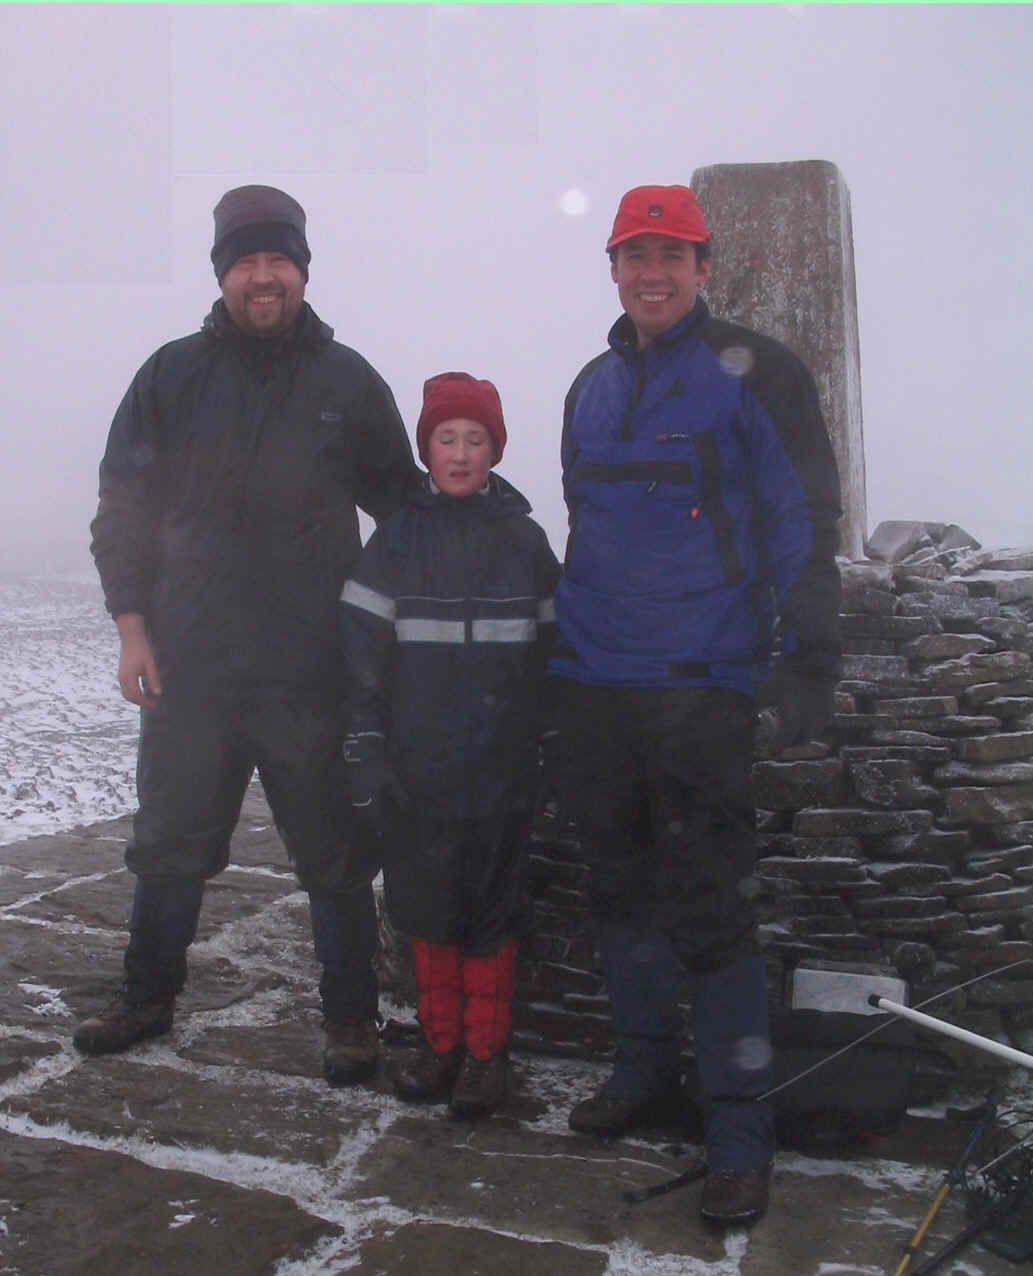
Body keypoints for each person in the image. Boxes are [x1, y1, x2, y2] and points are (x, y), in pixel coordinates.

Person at [76, 185, 418, 1087]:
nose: (263, 278)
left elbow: (408, 512)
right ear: (223, 272)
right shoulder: (171, 375)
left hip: (312, 671)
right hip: (190, 664)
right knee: (169, 843)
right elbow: (123, 510)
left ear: (303, 269)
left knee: (335, 856)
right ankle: (147, 998)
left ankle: (349, 1019)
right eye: (246, 262)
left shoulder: (347, 382)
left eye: (279, 261)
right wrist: (131, 628)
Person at [546, 185, 842, 1223]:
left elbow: (803, 516)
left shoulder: (756, 375)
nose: (652, 273)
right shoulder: (588, 385)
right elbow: (585, 523)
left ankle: (736, 1129)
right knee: (617, 893)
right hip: (592, 684)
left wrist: (809, 653)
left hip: (700, 688)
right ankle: (642, 1073)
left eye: (671, 255)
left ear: (704, 267)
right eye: (634, 255)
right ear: (615, 269)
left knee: (711, 914)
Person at [339, 372, 559, 1119]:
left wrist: (547, 747)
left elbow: (553, 657)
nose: (460, 454)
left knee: (491, 916)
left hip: (501, 773)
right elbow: (360, 656)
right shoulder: (396, 540)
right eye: (445, 438)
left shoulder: (525, 543)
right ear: (425, 449)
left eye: (475, 440)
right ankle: (438, 1049)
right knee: (426, 914)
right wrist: (368, 748)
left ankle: (486, 1058)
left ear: (494, 450)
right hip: (418, 775)